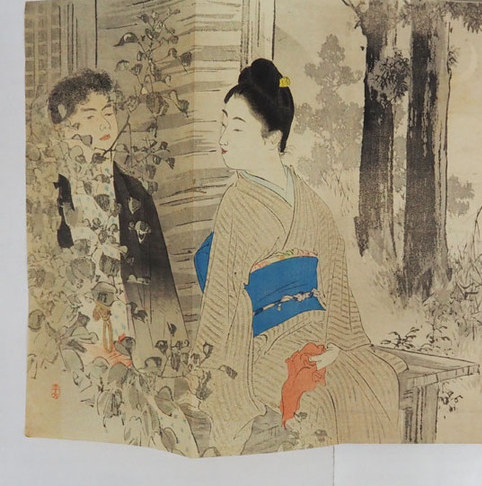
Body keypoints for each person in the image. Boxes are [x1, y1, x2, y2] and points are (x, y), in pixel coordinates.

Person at [188, 58, 407, 456]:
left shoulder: (311, 204)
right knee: (316, 400)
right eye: (223, 125)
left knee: (375, 378)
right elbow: (221, 298)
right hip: (263, 346)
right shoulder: (236, 204)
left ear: (271, 138)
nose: (222, 137)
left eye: (236, 127)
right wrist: (205, 370)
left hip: (320, 333)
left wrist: (339, 345)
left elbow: (335, 286)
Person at [47, 69, 188, 368]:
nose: (104, 123)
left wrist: (166, 356)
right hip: (73, 343)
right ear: (65, 129)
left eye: (108, 112)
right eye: (89, 115)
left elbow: (160, 284)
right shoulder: (50, 194)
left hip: (131, 340)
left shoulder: (135, 195)